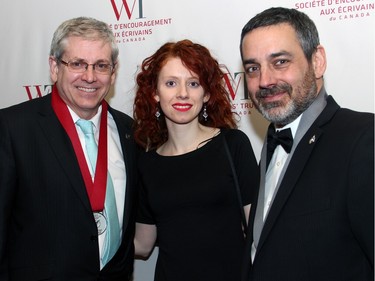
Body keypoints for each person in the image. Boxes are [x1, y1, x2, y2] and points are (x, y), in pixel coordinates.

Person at [239, 7, 374, 281]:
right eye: (253, 68)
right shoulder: (270, 143)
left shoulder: (363, 139)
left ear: (317, 61)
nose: (264, 81)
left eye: (280, 62)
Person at [0, 17, 138, 280]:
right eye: (77, 64)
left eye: (101, 65)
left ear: (113, 71)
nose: (89, 76)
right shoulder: (12, 128)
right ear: (54, 67)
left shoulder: (129, 130)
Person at [132, 39, 259, 281]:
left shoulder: (232, 145)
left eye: (193, 83)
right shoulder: (147, 164)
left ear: (207, 93)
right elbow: (142, 243)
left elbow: (257, 232)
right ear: (155, 93)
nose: (183, 93)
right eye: (171, 83)